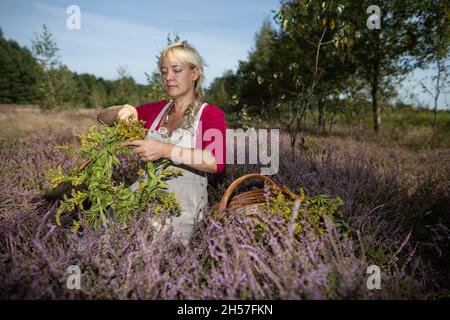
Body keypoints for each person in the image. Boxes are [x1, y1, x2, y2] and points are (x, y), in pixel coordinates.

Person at [96, 41, 226, 244]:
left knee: (153, 257)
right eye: (164, 71)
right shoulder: (158, 111)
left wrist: (164, 150)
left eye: (177, 70)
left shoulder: (209, 114)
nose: (168, 77)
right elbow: (103, 118)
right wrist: (124, 109)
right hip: (141, 199)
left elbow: (214, 161)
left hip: (180, 209)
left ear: (194, 74)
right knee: (96, 239)